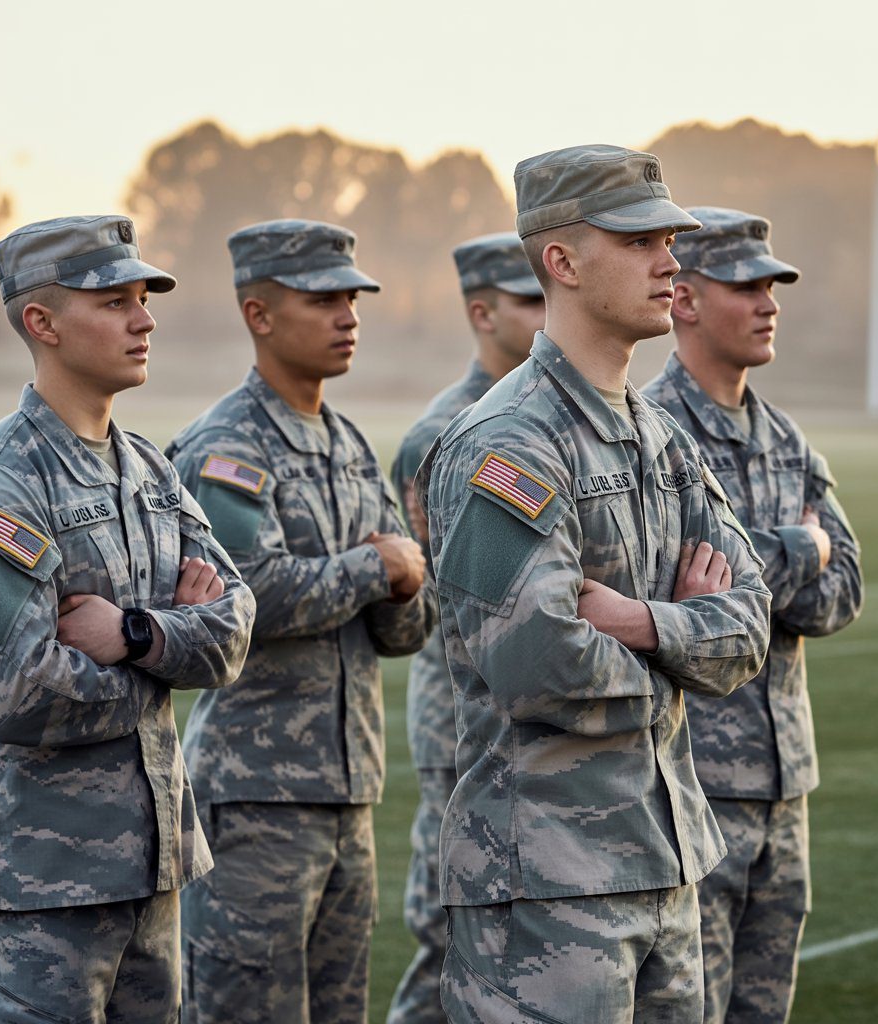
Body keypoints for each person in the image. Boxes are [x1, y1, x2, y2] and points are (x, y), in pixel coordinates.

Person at [417, 145, 773, 1024]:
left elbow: (751, 625)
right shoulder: (505, 444)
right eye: (639, 238)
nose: (670, 259)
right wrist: (687, 636)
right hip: (541, 888)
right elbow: (538, 664)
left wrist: (643, 626)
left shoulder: (663, 438)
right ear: (562, 262)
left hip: (665, 864)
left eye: (671, 237)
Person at [0, 214, 256, 1022]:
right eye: (114, 301)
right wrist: (171, 652)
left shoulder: (149, 471)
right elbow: (15, 693)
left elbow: (236, 624)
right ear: (42, 322)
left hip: (154, 866)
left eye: (144, 299)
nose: (144, 320)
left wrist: (134, 634)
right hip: (42, 881)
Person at [167, 218, 438, 1024]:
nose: (348, 315)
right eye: (324, 299)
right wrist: (378, 568)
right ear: (259, 314)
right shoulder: (228, 448)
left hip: (347, 796)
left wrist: (400, 584)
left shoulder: (350, 445)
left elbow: (404, 627)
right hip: (255, 802)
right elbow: (247, 600)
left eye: (352, 297)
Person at [643, 206, 864, 1024]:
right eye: (748, 285)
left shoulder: (786, 439)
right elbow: (670, 591)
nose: (769, 301)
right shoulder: (653, 432)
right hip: (693, 788)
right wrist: (801, 551)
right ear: (687, 301)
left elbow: (845, 592)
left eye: (773, 285)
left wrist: (751, 577)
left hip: (783, 789)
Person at [386, 232, 544, 1024]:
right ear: (481, 312)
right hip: (468, 715)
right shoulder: (448, 432)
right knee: (457, 936)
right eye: (530, 301)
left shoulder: (553, 415)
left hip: (534, 714)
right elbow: (489, 595)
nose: (551, 314)